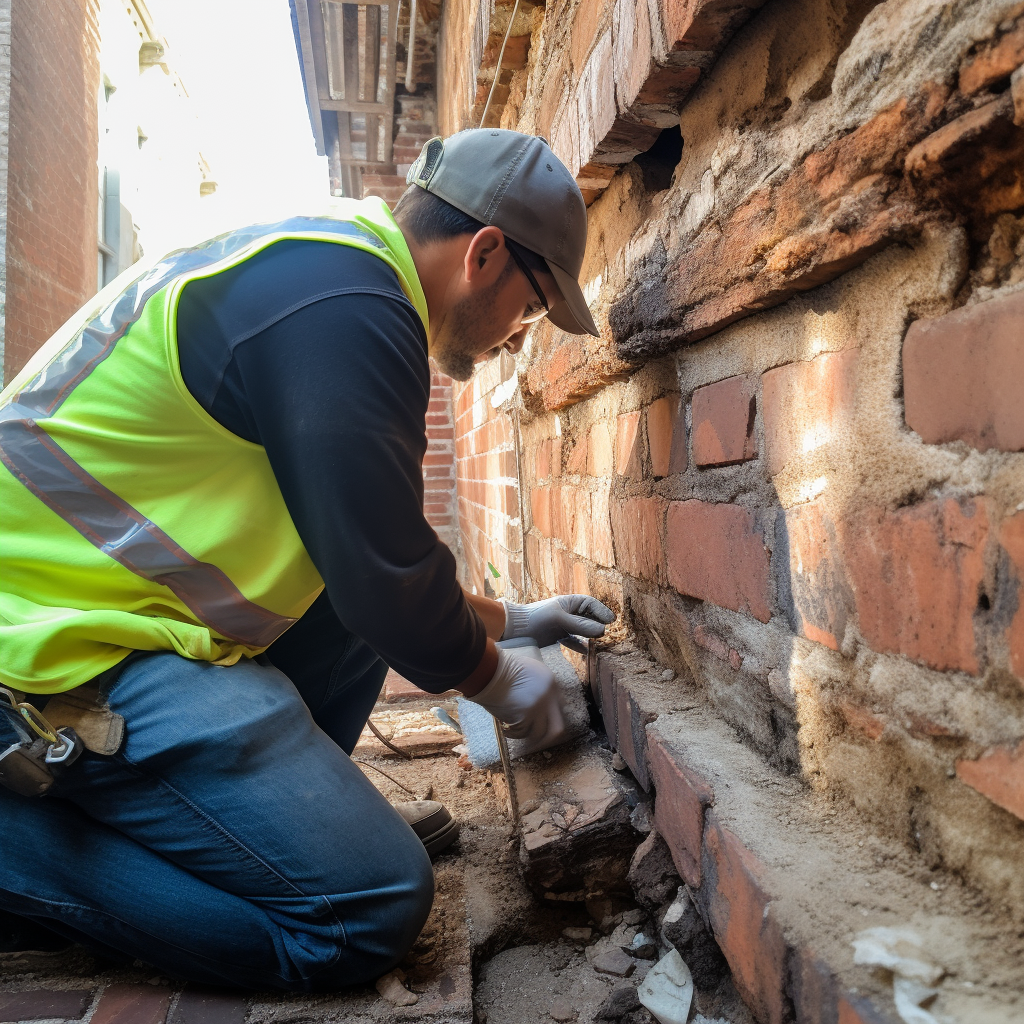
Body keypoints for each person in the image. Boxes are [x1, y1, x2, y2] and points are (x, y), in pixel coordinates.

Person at [0, 130, 615, 989]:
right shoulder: (348, 305)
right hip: (47, 655)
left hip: (107, 616)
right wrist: (501, 678)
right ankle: (22, 855)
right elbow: (383, 578)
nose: (518, 338)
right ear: (484, 253)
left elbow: (363, 549)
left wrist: (513, 620)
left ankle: (265, 833)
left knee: (341, 603)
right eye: (531, 308)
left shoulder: (334, 267)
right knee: (368, 910)